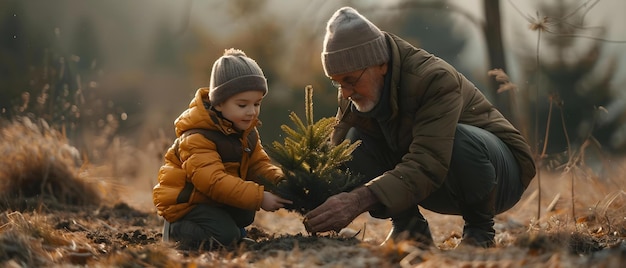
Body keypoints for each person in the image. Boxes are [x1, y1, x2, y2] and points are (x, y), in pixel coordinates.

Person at [303, 7, 536, 248]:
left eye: (350, 81)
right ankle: (410, 230)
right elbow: (337, 153)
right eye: (337, 83)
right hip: (437, 181)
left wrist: (358, 200)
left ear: (381, 63)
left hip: (501, 176)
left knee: (458, 138)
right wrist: (300, 190)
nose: (345, 92)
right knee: (354, 142)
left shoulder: (434, 79)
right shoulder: (355, 93)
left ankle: (480, 231)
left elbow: (430, 161)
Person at [152, 48, 292, 250]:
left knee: (245, 213)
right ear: (219, 104)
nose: (252, 112)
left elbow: (259, 166)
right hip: (187, 205)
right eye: (242, 105)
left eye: (257, 104)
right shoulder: (197, 137)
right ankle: (177, 230)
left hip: (212, 201)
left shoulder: (247, 133)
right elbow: (212, 182)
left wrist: (281, 182)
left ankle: (229, 235)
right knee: (225, 234)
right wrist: (260, 197)